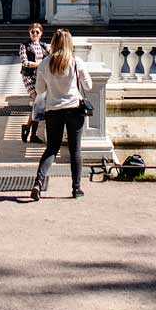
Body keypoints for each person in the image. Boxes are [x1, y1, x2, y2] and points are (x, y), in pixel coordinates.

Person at [30, 28, 92, 201]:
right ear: (69, 44)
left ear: (53, 43)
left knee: (52, 148)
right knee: (75, 149)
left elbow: (39, 90)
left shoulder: (45, 63)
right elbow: (88, 86)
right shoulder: (76, 61)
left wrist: (53, 86)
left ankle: (38, 183)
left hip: (53, 109)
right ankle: (76, 188)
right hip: (74, 109)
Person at [16, 23, 49, 144]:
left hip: (41, 77)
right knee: (37, 103)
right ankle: (30, 131)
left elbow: (52, 57)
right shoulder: (24, 46)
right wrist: (41, 63)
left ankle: (29, 129)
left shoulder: (44, 46)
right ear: (29, 33)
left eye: (37, 32)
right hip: (29, 77)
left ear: (41, 34)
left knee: (39, 105)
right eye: (32, 32)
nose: (34, 34)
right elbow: (25, 62)